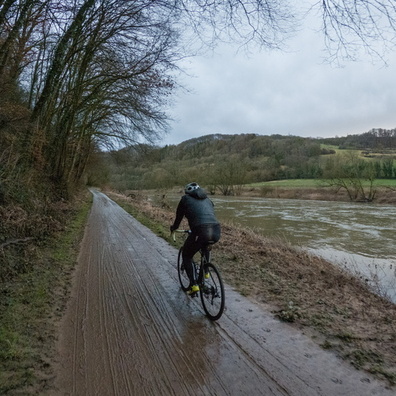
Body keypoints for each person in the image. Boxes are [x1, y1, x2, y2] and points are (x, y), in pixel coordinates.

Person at [170, 182, 221, 294]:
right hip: (216, 230)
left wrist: (173, 228)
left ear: (187, 192)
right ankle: (206, 271)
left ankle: (193, 286)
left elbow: (178, 218)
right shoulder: (208, 199)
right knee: (205, 246)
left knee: (187, 255)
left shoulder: (185, 199)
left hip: (200, 230)